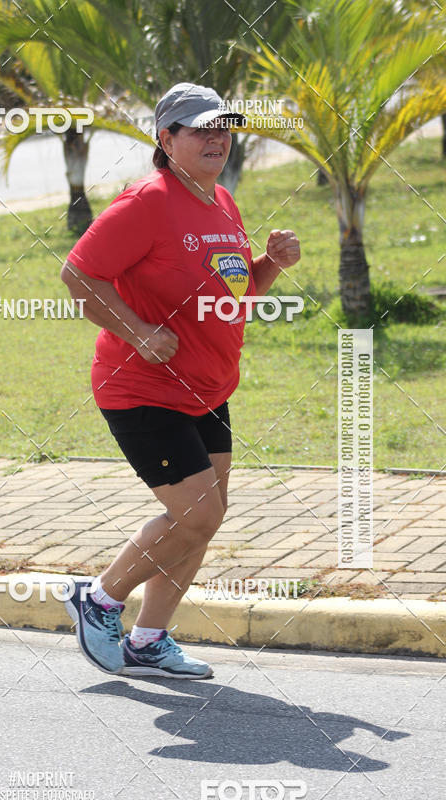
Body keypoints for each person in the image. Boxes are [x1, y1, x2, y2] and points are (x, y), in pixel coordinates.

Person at [60, 82, 300, 679]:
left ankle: (148, 640)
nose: (216, 137)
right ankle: (99, 600)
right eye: (200, 128)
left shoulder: (222, 201)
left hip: (209, 387)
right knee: (196, 516)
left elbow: (236, 289)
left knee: (206, 518)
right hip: (142, 388)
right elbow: (79, 276)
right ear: (166, 140)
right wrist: (138, 331)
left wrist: (271, 265)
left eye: (222, 127)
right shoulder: (146, 201)